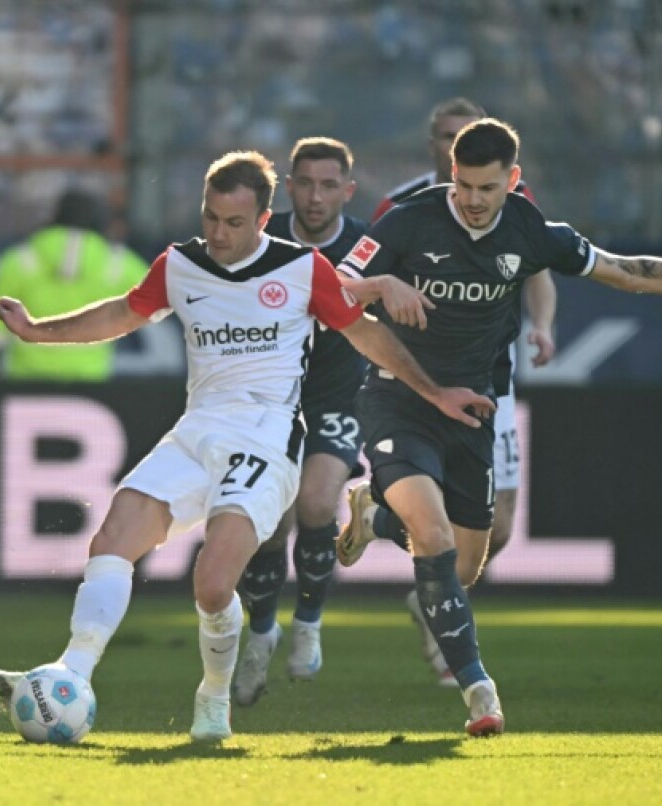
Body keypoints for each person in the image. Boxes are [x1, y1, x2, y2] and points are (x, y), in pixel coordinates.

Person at [0, 151, 493, 742]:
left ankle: (213, 695)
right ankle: (73, 672)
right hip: (197, 428)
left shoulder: (303, 268)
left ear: (263, 219)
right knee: (113, 536)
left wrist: (434, 395)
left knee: (213, 582)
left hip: (268, 435)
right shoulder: (180, 265)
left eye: (233, 223)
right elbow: (123, 314)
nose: (218, 234)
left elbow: (368, 336)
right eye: (211, 218)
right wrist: (36, 330)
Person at [336, 118, 662, 736]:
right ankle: (478, 690)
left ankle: (372, 513)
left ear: (513, 181)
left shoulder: (532, 231)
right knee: (431, 536)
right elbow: (326, 287)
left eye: (487, 188)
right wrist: (380, 282)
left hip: (472, 411)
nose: (471, 200)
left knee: (462, 567)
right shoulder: (409, 219)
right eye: (463, 185)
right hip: (400, 398)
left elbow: (624, 270)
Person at [359, 97, 558, 687]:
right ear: (437, 149)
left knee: (495, 531)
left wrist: (543, 325)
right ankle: (449, 630)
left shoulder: (513, 208)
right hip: (415, 386)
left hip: (490, 383)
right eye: (447, 139)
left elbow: (539, 267)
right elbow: (355, 283)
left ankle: (427, 578)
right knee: (435, 527)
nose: (455, 151)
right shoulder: (403, 207)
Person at [230, 137, 370, 706]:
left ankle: (308, 621)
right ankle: (262, 628)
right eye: (305, 184)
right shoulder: (259, 240)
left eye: (328, 185)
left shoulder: (369, 247)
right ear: (288, 188)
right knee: (267, 522)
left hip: (337, 396)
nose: (316, 197)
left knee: (316, 504)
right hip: (267, 402)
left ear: (347, 190)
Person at [0, 188, 148, 381]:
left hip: (25, 382)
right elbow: (162, 295)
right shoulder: (118, 264)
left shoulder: (19, 260)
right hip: (91, 383)